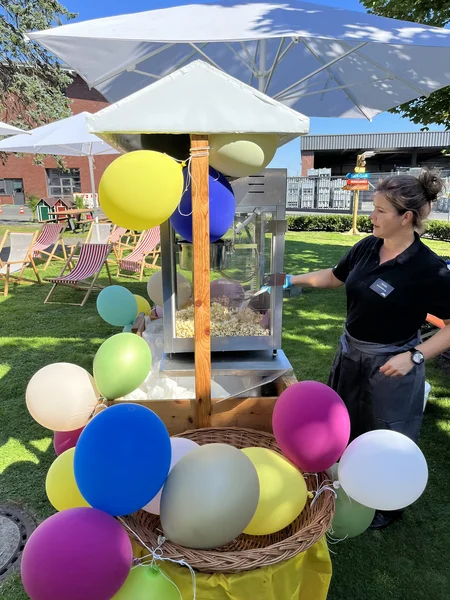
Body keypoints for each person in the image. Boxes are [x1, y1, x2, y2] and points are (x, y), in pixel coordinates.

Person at [284, 170, 450, 529]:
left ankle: (385, 507)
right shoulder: (367, 247)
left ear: (406, 217)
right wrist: (287, 279)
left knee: (387, 434)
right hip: (351, 353)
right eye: (372, 208)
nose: (371, 216)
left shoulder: (428, 269)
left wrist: (415, 355)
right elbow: (334, 276)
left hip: (393, 362)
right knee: (345, 423)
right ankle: (346, 486)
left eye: (380, 211)